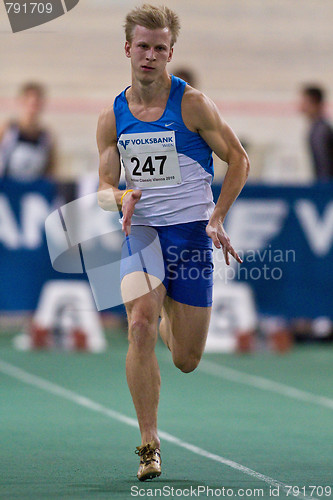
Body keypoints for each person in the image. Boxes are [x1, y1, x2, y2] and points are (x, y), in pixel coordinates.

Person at [97, 4, 249, 481]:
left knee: (185, 358)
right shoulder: (112, 117)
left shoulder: (193, 105)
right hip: (142, 233)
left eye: (159, 48)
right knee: (138, 325)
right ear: (128, 48)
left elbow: (238, 159)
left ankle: (167, 315)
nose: (149, 55)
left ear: (169, 54)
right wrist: (121, 195)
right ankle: (148, 444)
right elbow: (103, 189)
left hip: (189, 234)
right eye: (142, 46)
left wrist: (217, 214)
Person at [0, 82, 56, 181]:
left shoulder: (46, 136)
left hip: (33, 191)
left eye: (36, 104)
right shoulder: (7, 130)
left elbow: (51, 170)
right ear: (21, 102)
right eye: (29, 103)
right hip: (8, 189)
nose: (32, 109)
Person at [299, 84, 333, 181]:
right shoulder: (318, 128)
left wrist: (323, 189)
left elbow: (324, 164)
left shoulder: (320, 131)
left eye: (304, 101)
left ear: (314, 103)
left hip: (326, 188)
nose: (301, 105)